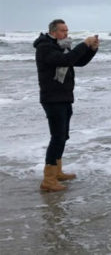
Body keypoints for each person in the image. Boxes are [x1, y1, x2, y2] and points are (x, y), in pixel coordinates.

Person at [34, 19, 99, 192]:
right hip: (52, 98)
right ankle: (48, 179)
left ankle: (57, 171)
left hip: (64, 97)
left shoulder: (61, 46)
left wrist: (92, 50)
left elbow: (77, 61)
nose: (66, 34)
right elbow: (66, 60)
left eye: (67, 30)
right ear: (53, 32)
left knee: (63, 136)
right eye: (63, 30)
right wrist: (84, 44)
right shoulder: (45, 47)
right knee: (57, 137)